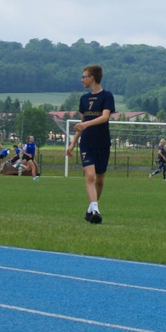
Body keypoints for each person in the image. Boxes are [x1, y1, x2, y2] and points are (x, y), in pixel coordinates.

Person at [66, 64, 115, 224]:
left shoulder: (107, 96)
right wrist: (73, 143)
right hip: (86, 143)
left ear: (91, 78)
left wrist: (86, 124)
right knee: (90, 176)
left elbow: (105, 117)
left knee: (100, 179)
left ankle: (91, 209)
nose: (82, 80)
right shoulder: (84, 99)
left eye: (84, 77)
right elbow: (82, 122)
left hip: (102, 143)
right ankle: (95, 209)